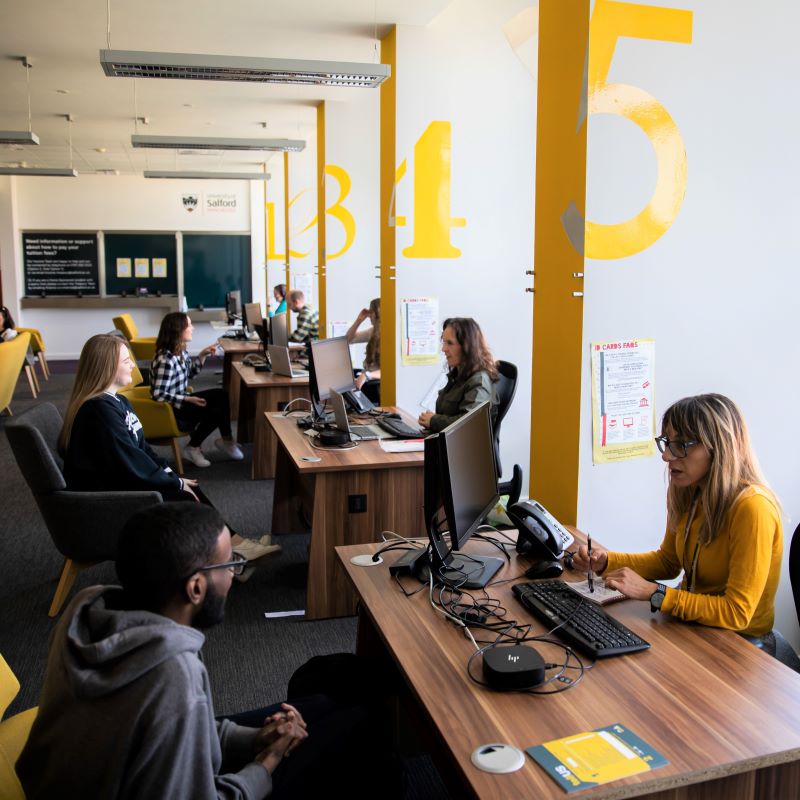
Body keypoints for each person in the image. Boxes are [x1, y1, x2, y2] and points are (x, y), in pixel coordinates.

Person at [17, 503, 399, 799]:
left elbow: (176, 730)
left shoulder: (90, 606)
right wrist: (267, 761)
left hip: (88, 773)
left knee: (328, 697)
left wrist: (255, 738)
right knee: (365, 726)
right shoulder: (171, 674)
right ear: (196, 588)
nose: (234, 574)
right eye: (229, 565)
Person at [572, 393, 784, 657]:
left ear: (719, 447)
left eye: (682, 445)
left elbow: (737, 613)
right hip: (695, 628)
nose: (667, 456)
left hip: (742, 645)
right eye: (667, 443)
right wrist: (606, 562)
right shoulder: (689, 490)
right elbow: (668, 562)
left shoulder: (753, 507)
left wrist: (655, 593)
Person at [59, 334, 278, 559]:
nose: (133, 366)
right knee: (184, 493)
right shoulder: (99, 411)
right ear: (106, 367)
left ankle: (234, 548)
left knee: (187, 486)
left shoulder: (118, 402)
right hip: (109, 501)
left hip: (122, 482)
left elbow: (141, 448)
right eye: (126, 361)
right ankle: (232, 554)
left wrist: (168, 471)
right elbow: (128, 460)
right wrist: (173, 480)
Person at [151, 311, 243, 468]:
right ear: (178, 330)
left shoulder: (180, 351)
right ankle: (194, 447)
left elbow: (191, 373)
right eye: (189, 325)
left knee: (221, 395)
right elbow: (157, 394)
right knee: (217, 409)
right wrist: (187, 398)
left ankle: (226, 440)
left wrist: (202, 355)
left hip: (181, 402)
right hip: (171, 410)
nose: (192, 328)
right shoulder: (166, 359)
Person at [418, 317, 498, 433]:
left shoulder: (479, 381)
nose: (444, 349)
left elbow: (468, 424)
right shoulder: (458, 375)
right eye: (443, 342)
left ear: (468, 346)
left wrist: (434, 420)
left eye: (450, 343)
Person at [346, 297, 380, 405]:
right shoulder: (373, 331)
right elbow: (348, 339)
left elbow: (390, 371)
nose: (369, 316)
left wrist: (366, 375)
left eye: (371, 312)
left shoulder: (390, 335)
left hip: (376, 386)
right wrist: (358, 321)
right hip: (367, 381)